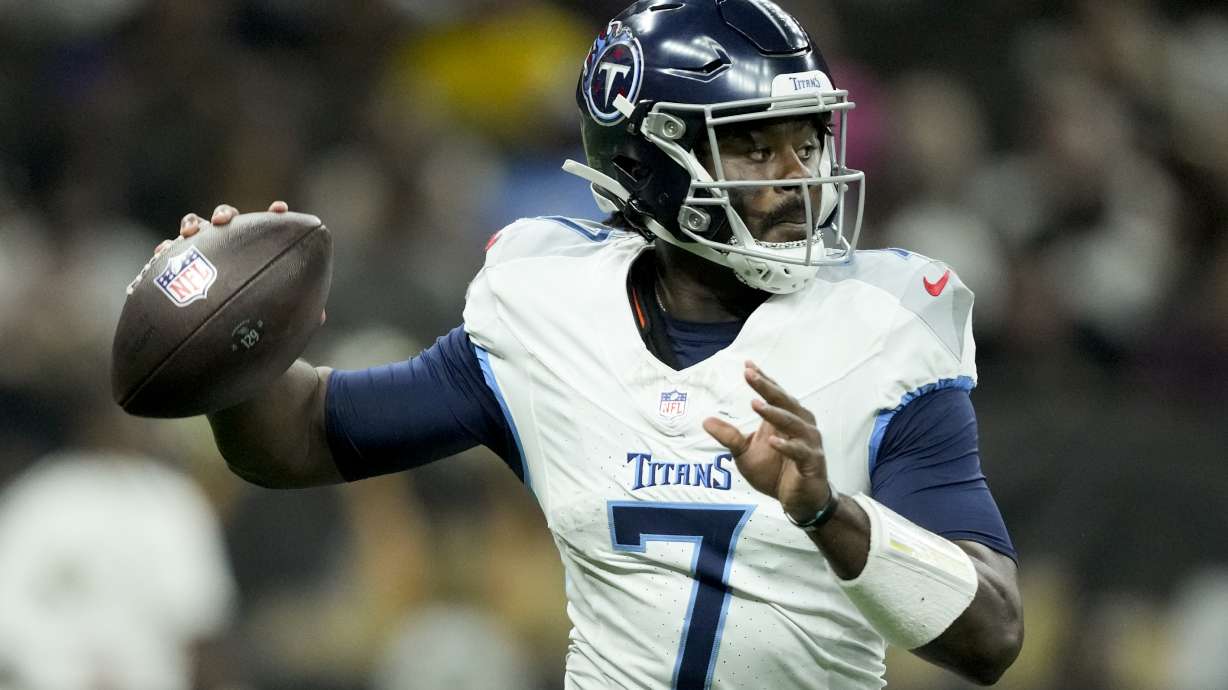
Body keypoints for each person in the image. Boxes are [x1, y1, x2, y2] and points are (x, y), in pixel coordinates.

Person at [178, 1, 1022, 687]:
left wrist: (827, 515)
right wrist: (232, 328)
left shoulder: (882, 327)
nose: (798, 174)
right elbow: (296, 438)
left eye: (806, 140)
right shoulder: (548, 308)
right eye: (755, 145)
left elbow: (992, 634)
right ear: (651, 161)